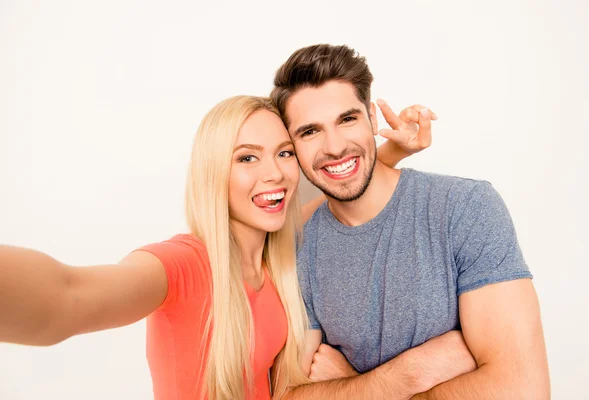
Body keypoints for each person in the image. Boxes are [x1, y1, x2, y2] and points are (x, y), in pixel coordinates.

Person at [0, 95, 429, 399]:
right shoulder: (183, 264)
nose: (275, 174)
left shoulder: (274, 252)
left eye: (283, 153)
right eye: (246, 158)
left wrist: (393, 148)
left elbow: (329, 189)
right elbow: (66, 295)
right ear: (213, 172)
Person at [270, 44, 551, 399]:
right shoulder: (299, 248)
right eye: (310, 132)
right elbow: (287, 394)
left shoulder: (465, 208)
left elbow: (523, 391)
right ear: (292, 146)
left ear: (372, 119)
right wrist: (410, 375)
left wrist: (349, 384)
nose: (335, 146)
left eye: (347, 119)